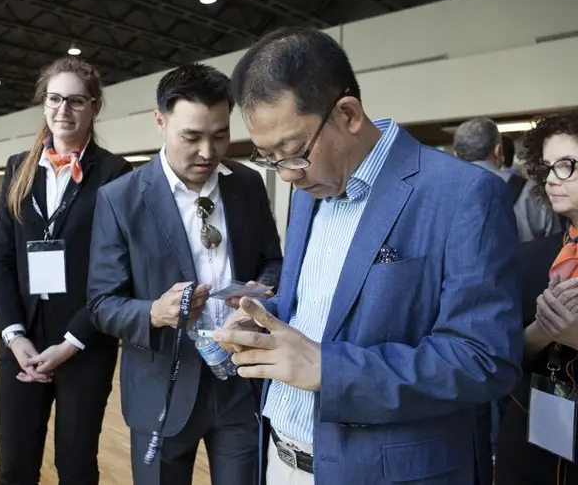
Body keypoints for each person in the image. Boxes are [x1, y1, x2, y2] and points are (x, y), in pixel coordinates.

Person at [213, 26, 524, 485]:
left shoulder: (462, 194)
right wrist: (266, 322)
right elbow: (317, 308)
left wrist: (330, 370)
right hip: (279, 456)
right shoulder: (308, 191)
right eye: (267, 158)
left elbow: (483, 358)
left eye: (293, 152)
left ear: (348, 114)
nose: (287, 175)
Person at [87, 63, 283, 485]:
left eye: (220, 135)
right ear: (160, 122)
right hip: (162, 387)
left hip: (241, 381)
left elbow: (273, 262)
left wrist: (261, 296)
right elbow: (101, 304)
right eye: (191, 137)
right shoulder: (120, 199)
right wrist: (154, 312)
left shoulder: (247, 184)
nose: (208, 152)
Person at [0, 56, 132, 485]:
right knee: (15, 468)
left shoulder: (116, 174)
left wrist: (71, 343)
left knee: (75, 468)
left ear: (95, 107)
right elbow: (3, 259)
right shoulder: (18, 167)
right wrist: (14, 336)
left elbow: (117, 273)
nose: (63, 110)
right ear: (43, 103)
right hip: (23, 344)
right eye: (54, 99)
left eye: (75, 100)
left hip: (84, 344)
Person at [495, 112, 578, 484]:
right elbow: (496, 358)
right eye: (547, 167)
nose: (552, 180)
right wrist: (541, 332)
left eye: (567, 165)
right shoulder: (531, 258)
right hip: (530, 435)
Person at [454, 117, 561, 242]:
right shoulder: (530, 191)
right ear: (498, 151)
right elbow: (556, 241)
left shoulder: (440, 195)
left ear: (456, 155)